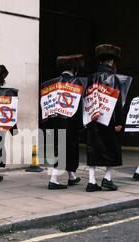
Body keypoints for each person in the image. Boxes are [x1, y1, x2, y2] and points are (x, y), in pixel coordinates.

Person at [83, 44, 133, 192]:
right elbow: (118, 103)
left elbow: (85, 100)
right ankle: (107, 178)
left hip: (93, 118)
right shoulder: (115, 79)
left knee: (93, 148)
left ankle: (91, 181)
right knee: (111, 148)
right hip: (110, 121)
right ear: (111, 62)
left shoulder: (90, 78)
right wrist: (119, 122)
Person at [40, 54, 86, 190]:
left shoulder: (49, 83)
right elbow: (79, 106)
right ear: (74, 68)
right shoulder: (78, 82)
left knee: (64, 150)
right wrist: (81, 124)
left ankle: (72, 177)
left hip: (52, 122)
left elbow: (44, 106)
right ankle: (53, 180)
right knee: (64, 150)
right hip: (69, 123)